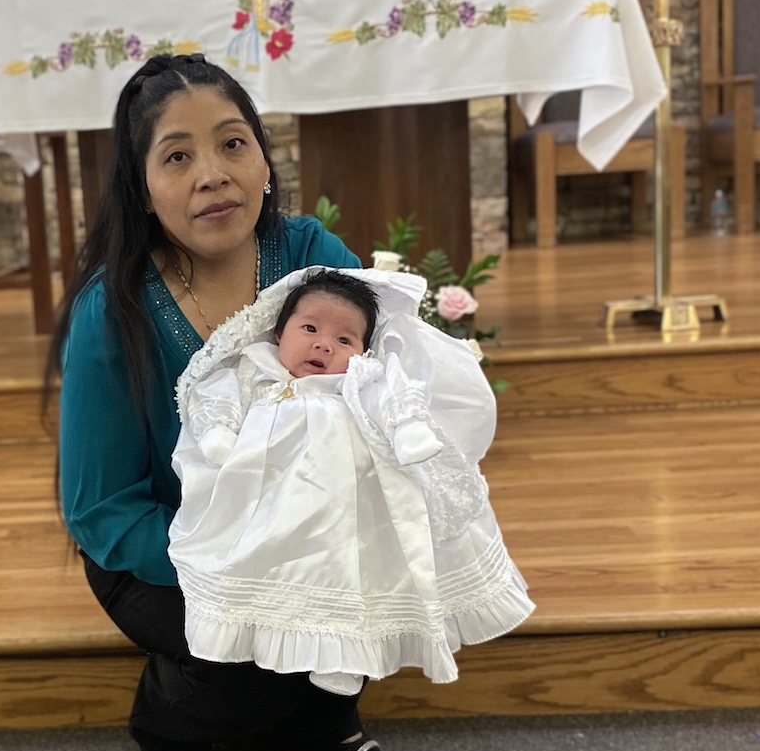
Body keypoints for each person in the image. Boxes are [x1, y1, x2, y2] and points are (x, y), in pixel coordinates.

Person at [48, 53, 380, 751]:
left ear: (262, 158)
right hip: (165, 548)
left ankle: (317, 714)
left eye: (233, 143)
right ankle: (170, 716)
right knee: (240, 656)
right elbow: (100, 509)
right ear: (141, 187)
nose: (212, 174)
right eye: (177, 156)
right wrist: (233, 562)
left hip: (307, 529)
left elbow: (381, 385)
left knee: (388, 569)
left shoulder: (312, 260)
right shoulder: (114, 308)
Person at [168, 267, 534, 697]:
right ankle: (244, 634)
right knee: (267, 566)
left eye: (345, 340)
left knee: (347, 572)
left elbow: (391, 394)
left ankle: (345, 655)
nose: (325, 344)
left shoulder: (358, 380)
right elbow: (216, 394)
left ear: (363, 351)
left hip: (344, 504)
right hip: (269, 500)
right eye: (309, 329)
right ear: (279, 333)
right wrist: (219, 431)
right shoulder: (255, 366)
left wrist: (407, 428)